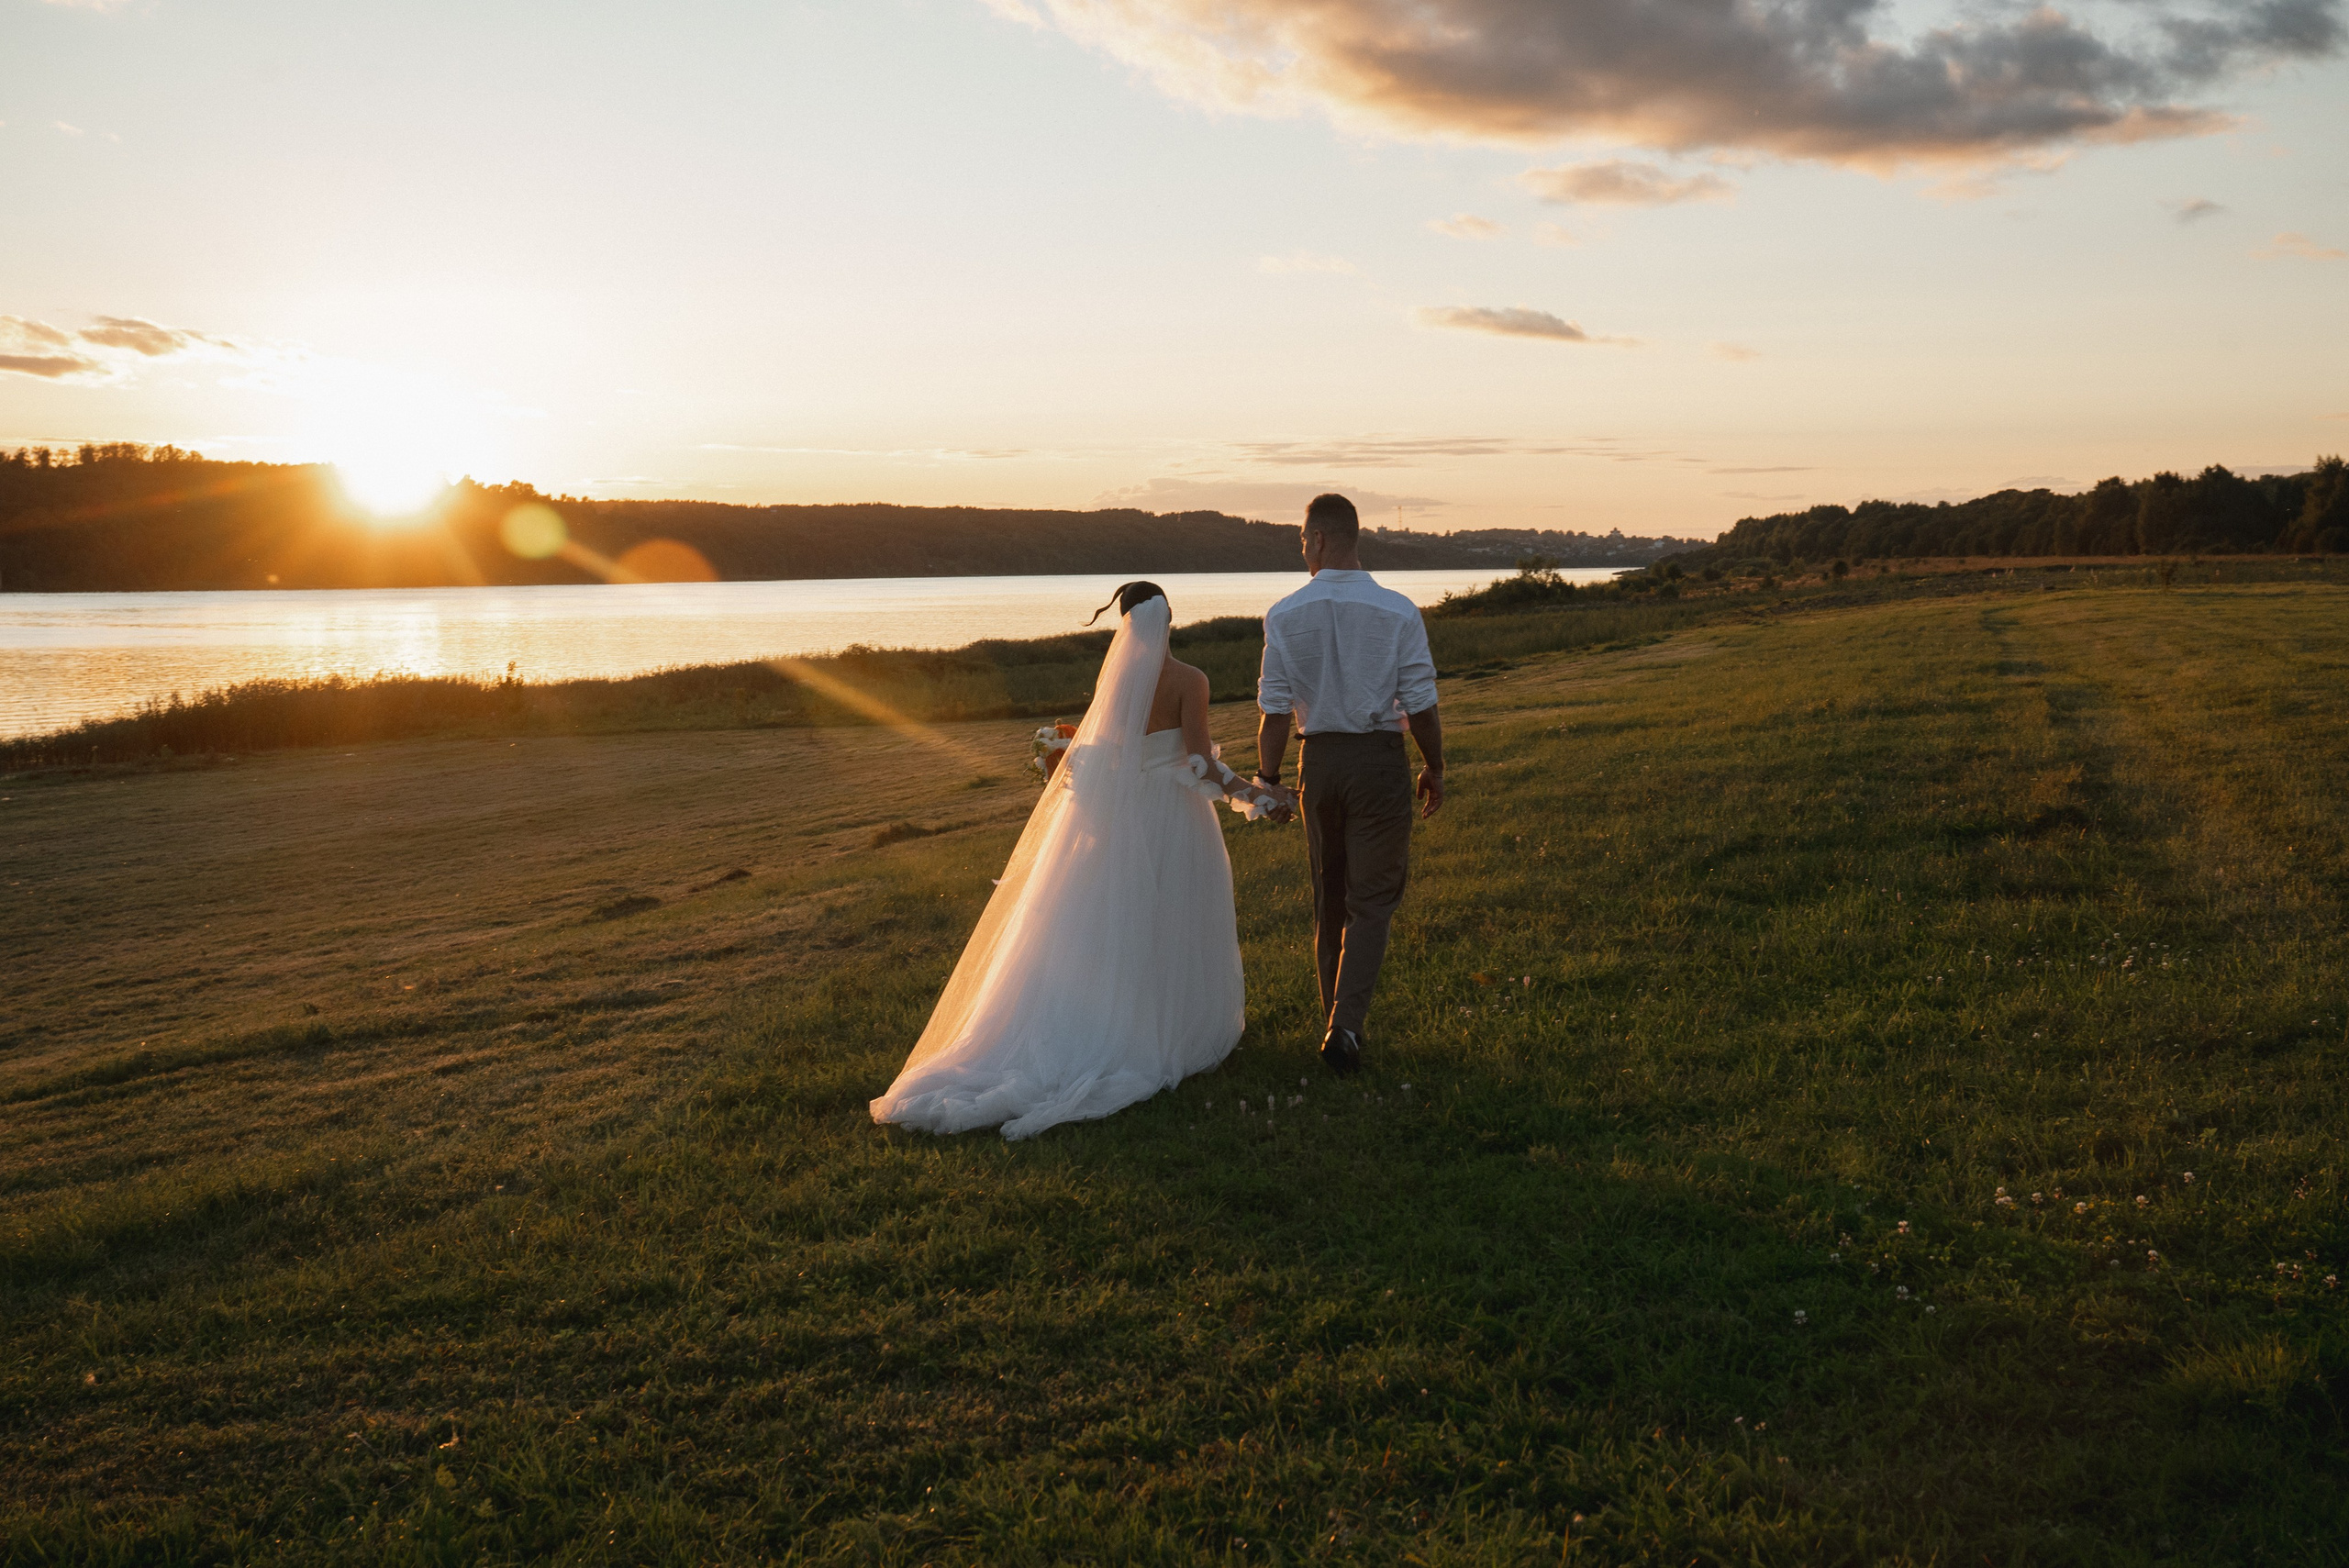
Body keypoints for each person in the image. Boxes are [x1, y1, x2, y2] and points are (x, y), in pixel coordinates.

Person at [871, 582, 1279, 1140]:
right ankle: (1167, 1031)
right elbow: (1201, 765)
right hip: (1174, 818)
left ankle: (1108, 1024)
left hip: (1123, 820)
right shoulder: (1191, 680)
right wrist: (1258, 796)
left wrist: (1061, 755)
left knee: (1116, 926)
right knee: (1174, 921)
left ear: (1124, 624)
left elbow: (1104, 758)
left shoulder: (1116, 685)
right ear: (1170, 619)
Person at [1251, 493, 1444, 1076]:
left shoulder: (1284, 614)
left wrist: (1268, 779)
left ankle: (1335, 1022)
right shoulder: (1398, 611)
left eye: (1302, 541)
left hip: (1318, 764)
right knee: (1372, 899)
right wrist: (1434, 765)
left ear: (1319, 539)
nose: (1302, 551)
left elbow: (1274, 711)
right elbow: (1421, 702)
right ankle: (1346, 1027)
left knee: (1330, 895)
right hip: (1378, 762)